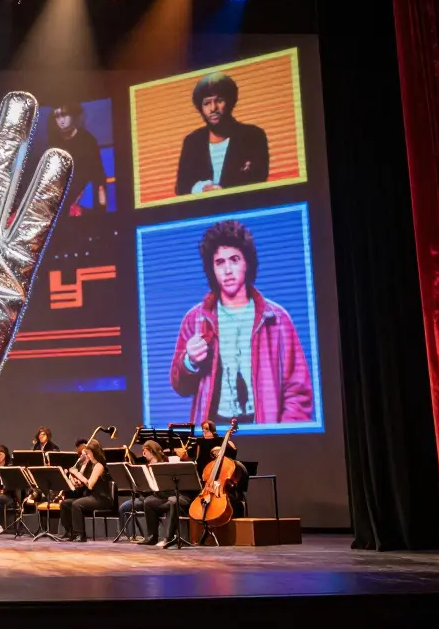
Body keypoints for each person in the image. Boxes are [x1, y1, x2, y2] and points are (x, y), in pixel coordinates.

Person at [169, 220, 314, 425]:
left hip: (264, 433)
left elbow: (298, 392)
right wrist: (189, 362)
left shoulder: (277, 320)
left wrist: (281, 437)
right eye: (219, 262)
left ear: (247, 263)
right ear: (212, 268)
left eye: (234, 259)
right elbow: (180, 387)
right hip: (214, 435)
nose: (227, 270)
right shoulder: (194, 320)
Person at [174, 73, 270, 196]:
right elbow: (181, 187)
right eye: (207, 103)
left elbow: (259, 178)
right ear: (200, 108)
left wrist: (223, 189)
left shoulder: (253, 136)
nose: (213, 108)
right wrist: (201, 188)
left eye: (219, 100)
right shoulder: (192, 141)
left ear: (230, 102)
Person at [49, 103, 108, 214]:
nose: (61, 120)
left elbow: (98, 176)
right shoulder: (53, 145)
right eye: (57, 116)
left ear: (73, 115)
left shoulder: (88, 141)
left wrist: (101, 209)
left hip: (83, 202)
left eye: (64, 114)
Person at [58, 439, 113, 542]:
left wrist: (77, 473)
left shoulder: (99, 465)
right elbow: (86, 483)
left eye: (88, 453)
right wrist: (77, 481)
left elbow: (91, 485)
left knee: (77, 504)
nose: (86, 456)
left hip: (101, 498)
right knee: (65, 504)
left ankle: (80, 534)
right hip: (91, 496)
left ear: (94, 452)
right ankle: (70, 532)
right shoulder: (90, 465)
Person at [117, 440, 166, 540]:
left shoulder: (161, 465)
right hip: (143, 497)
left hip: (156, 497)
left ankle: (151, 535)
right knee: (123, 508)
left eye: (145, 451)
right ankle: (129, 535)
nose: (143, 454)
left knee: (148, 503)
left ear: (151, 451)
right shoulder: (145, 466)